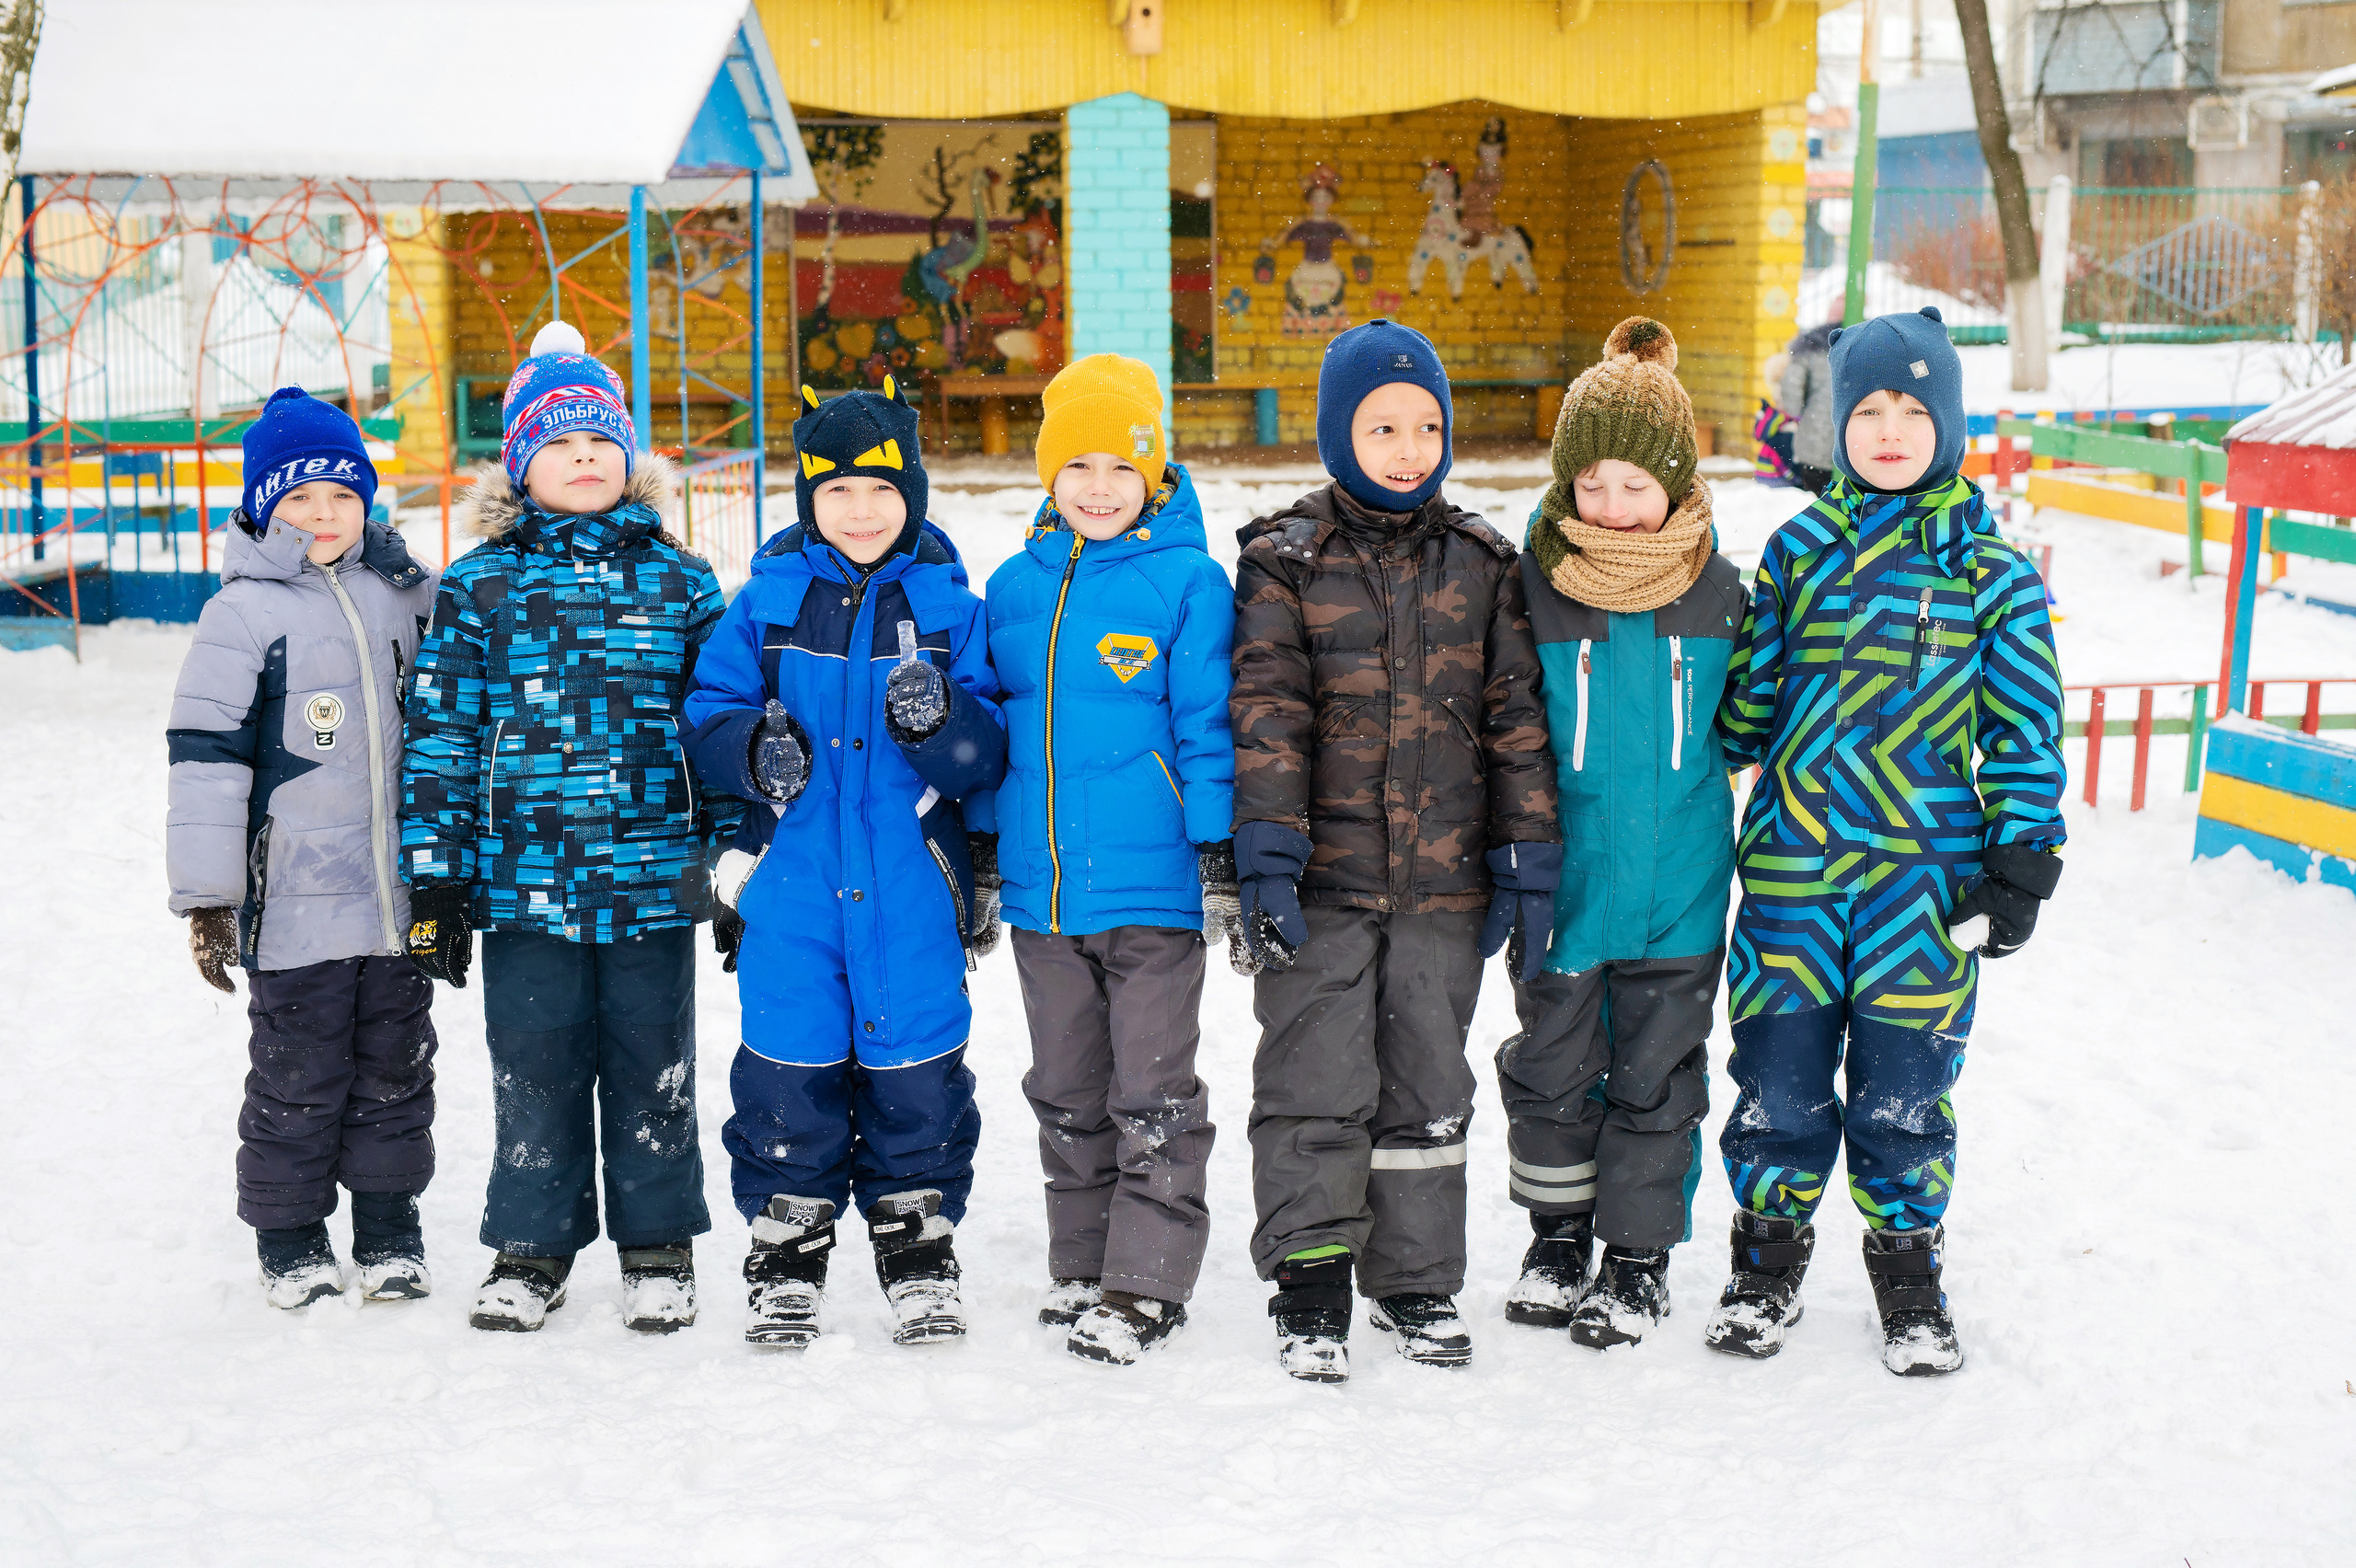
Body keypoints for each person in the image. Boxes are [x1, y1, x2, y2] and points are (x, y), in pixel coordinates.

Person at [1711, 306, 2066, 1376]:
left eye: (1914, 409)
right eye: (1867, 408)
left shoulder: (1989, 573)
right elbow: (1744, 715)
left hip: (1923, 881)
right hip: (1793, 870)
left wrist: (2021, 857)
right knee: (1777, 1072)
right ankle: (1764, 1264)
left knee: (1905, 1080)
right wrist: (1739, 673)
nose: (1890, 428)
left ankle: (1907, 1272)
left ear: (1947, 426)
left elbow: (2022, 724)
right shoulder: (1799, 549)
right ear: (1837, 424)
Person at [1229, 319, 1557, 1382]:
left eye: (1425, 425)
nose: (1407, 445)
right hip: (1322, 883)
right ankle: (1313, 1275)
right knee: (1315, 1075)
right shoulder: (1285, 559)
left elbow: (1515, 719)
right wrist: (1266, 858)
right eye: (1381, 425)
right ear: (1338, 432)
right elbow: (1268, 713)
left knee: (1426, 1083)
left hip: (1444, 885)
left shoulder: (1482, 561)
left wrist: (1525, 856)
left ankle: (1414, 1280)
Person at [400, 321, 738, 1336]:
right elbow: (443, 735)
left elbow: (718, 726)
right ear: (519, 467)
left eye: (599, 440)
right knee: (535, 1059)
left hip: (651, 875)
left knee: (654, 1062)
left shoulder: (681, 582)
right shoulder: (476, 587)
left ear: (628, 456)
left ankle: (657, 1244)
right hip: (524, 881)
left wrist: (731, 860)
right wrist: (436, 879)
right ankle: (532, 1245)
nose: (582, 457)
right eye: (557, 444)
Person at [683, 379, 1006, 1351]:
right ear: (806, 501)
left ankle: (917, 1240)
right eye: (836, 494)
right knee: (792, 1060)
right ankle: (787, 1242)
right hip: (792, 885)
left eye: (879, 490)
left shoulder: (952, 606)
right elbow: (705, 711)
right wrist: (750, 748)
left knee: (915, 1062)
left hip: (911, 886)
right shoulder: (764, 605)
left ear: (911, 491)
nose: (860, 512)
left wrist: (941, 725)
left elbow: (986, 753)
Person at [967, 354, 1235, 1366]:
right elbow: (994, 732)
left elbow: (1208, 726)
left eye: (1120, 466)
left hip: (1153, 890)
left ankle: (1145, 1282)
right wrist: (987, 854)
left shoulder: (1187, 582)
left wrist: (1213, 854)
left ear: (1154, 474)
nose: (1097, 486)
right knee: (1066, 1089)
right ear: (1047, 475)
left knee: (1154, 1093)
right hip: (1046, 895)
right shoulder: (1013, 587)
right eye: (1074, 465)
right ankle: (1082, 1263)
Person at [1498, 318, 1745, 1351]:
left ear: (1678, 487)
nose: (1612, 510)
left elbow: (1757, 718)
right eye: (1589, 486)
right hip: (1568, 887)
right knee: (1552, 1065)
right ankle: (1557, 1238)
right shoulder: (1534, 593)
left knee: (1658, 1074)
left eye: (1635, 488)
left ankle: (1636, 1259)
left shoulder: (1723, 594)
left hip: (1682, 885)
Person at [167, 387, 439, 1310]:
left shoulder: (405, 594)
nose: (324, 517)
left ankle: (391, 1231)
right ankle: (288, 1237)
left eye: (342, 497)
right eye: (300, 499)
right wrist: (208, 899)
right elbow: (205, 764)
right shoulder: (240, 616)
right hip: (292, 901)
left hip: (394, 899)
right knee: (299, 1077)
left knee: (397, 1067)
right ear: (261, 506)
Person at [1778, 322, 1839, 495]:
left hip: (1815, 442)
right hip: (1856, 445)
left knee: (1818, 502)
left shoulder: (1808, 347)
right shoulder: (1869, 343)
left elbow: (1792, 397)